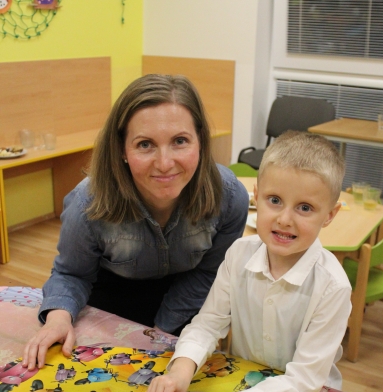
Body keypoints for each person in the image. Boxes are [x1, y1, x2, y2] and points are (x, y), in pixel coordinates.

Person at [22, 74, 249, 370]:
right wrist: (58, 319)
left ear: (201, 141)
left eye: (180, 141)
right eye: (145, 144)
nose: (165, 163)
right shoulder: (87, 202)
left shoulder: (229, 197)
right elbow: (72, 274)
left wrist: (159, 333)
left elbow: (208, 274)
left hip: (187, 305)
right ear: (122, 150)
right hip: (110, 304)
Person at [145, 132, 352, 392]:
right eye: (275, 200)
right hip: (242, 386)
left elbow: (304, 381)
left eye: (305, 208)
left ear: (330, 215)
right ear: (257, 196)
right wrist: (179, 372)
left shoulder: (333, 287)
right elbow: (207, 325)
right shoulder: (238, 253)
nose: (284, 219)